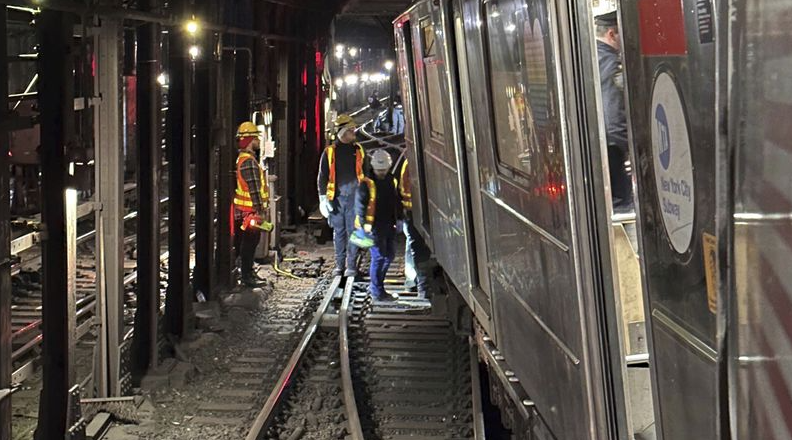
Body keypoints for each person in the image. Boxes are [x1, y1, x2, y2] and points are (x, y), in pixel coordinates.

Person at [318, 114, 366, 277]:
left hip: (355, 199)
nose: (354, 132)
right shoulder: (330, 152)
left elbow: (366, 175)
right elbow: (322, 176)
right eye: (351, 130)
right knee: (339, 232)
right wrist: (323, 198)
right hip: (337, 199)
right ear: (343, 132)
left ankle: (351, 266)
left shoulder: (358, 151)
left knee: (353, 231)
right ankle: (340, 266)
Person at [595, 10, 633, 212]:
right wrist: (633, 150)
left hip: (599, 151)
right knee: (624, 209)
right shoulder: (612, 63)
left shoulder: (592, 58)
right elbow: (614, 118)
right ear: (611, 34)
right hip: (615, 153)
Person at [355, 149, 401, 301]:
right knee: (379, 257)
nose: (382, 173)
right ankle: (377, 290)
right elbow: (360, 206)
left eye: (384, 170)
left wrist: (399, 218)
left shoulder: (391, 180)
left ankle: (377, 287)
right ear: (373, 167)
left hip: (388, 223)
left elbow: (396, 200)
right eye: (379, 170)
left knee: (389, 255)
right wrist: (364, 226)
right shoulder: (366, 183)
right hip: (373, 227)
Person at [233, 122, 270, 287]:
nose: (258, 141)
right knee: (250, 244)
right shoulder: (249, 162)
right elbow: (254, 188)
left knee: (246, 243)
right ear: (249, 140)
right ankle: (247, 276)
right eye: (255, 138)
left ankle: (247, 273)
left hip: (245, 211)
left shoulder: (243, 159)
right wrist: (260, 210)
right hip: (250, 212)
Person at [395, 155, 430, 298]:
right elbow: (404, 189)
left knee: (413, 245)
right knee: (415, 245)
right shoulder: (409, 164)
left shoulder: (409, 163)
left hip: (414, 211)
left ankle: (414, 281)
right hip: (411, 212)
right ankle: (416, 282)